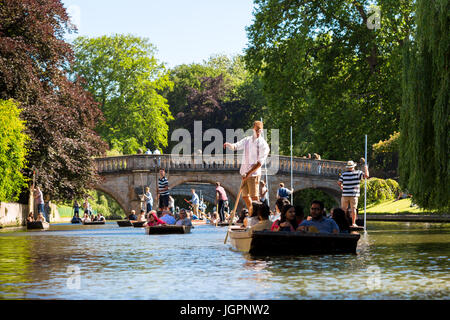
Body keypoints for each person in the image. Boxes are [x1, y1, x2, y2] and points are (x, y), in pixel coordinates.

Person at [223, 120, 270, 216]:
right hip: (244, 172)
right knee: (245, 196)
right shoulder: (247, 140)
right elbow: (236, 146)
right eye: (256, 130)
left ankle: (259, 215)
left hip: (253, 174)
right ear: (253, 129)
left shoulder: (263, 145)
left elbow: (259, 163)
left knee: (254, 197)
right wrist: (229, 145)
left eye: (259, 130)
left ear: (261, 131)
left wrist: (248, 173)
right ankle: (252, 213)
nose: (257, 132)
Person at [337, 160, 369, 227]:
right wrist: (366, 168)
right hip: (354, 194)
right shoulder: (358, 173)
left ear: (348, 167)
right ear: (354, 166)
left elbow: (339, 182)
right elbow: (366, 175)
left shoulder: (344, 174)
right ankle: (353, 223)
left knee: (343, 210)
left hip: (345, 194)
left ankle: (343, 223)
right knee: (353, 209)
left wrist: (341, 186)